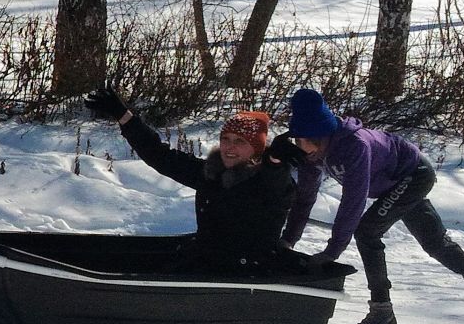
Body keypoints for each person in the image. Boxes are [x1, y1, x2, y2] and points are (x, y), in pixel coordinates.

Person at [282, 87, 464, 324]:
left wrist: (332, 251)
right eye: (297, 140)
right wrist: (289, 240)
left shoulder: (354, 147)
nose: (302, 147)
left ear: (323, 134)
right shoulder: (312, 153)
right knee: (433, 242)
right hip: (392, 182)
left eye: (307, 140)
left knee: (367, 232)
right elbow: (305, 198)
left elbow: (353, 202)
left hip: (413, 174)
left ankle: (381, 311)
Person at [85, 89, 304, 274]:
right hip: (205, 262)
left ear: (256, 149)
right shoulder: (210, 173)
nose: (230, 147)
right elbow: (160, 156)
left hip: (246, 275)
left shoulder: (268, 181)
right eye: (226, 139)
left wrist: (275, 162)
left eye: (240, 141)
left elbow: (276, 184)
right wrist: (125, 117)